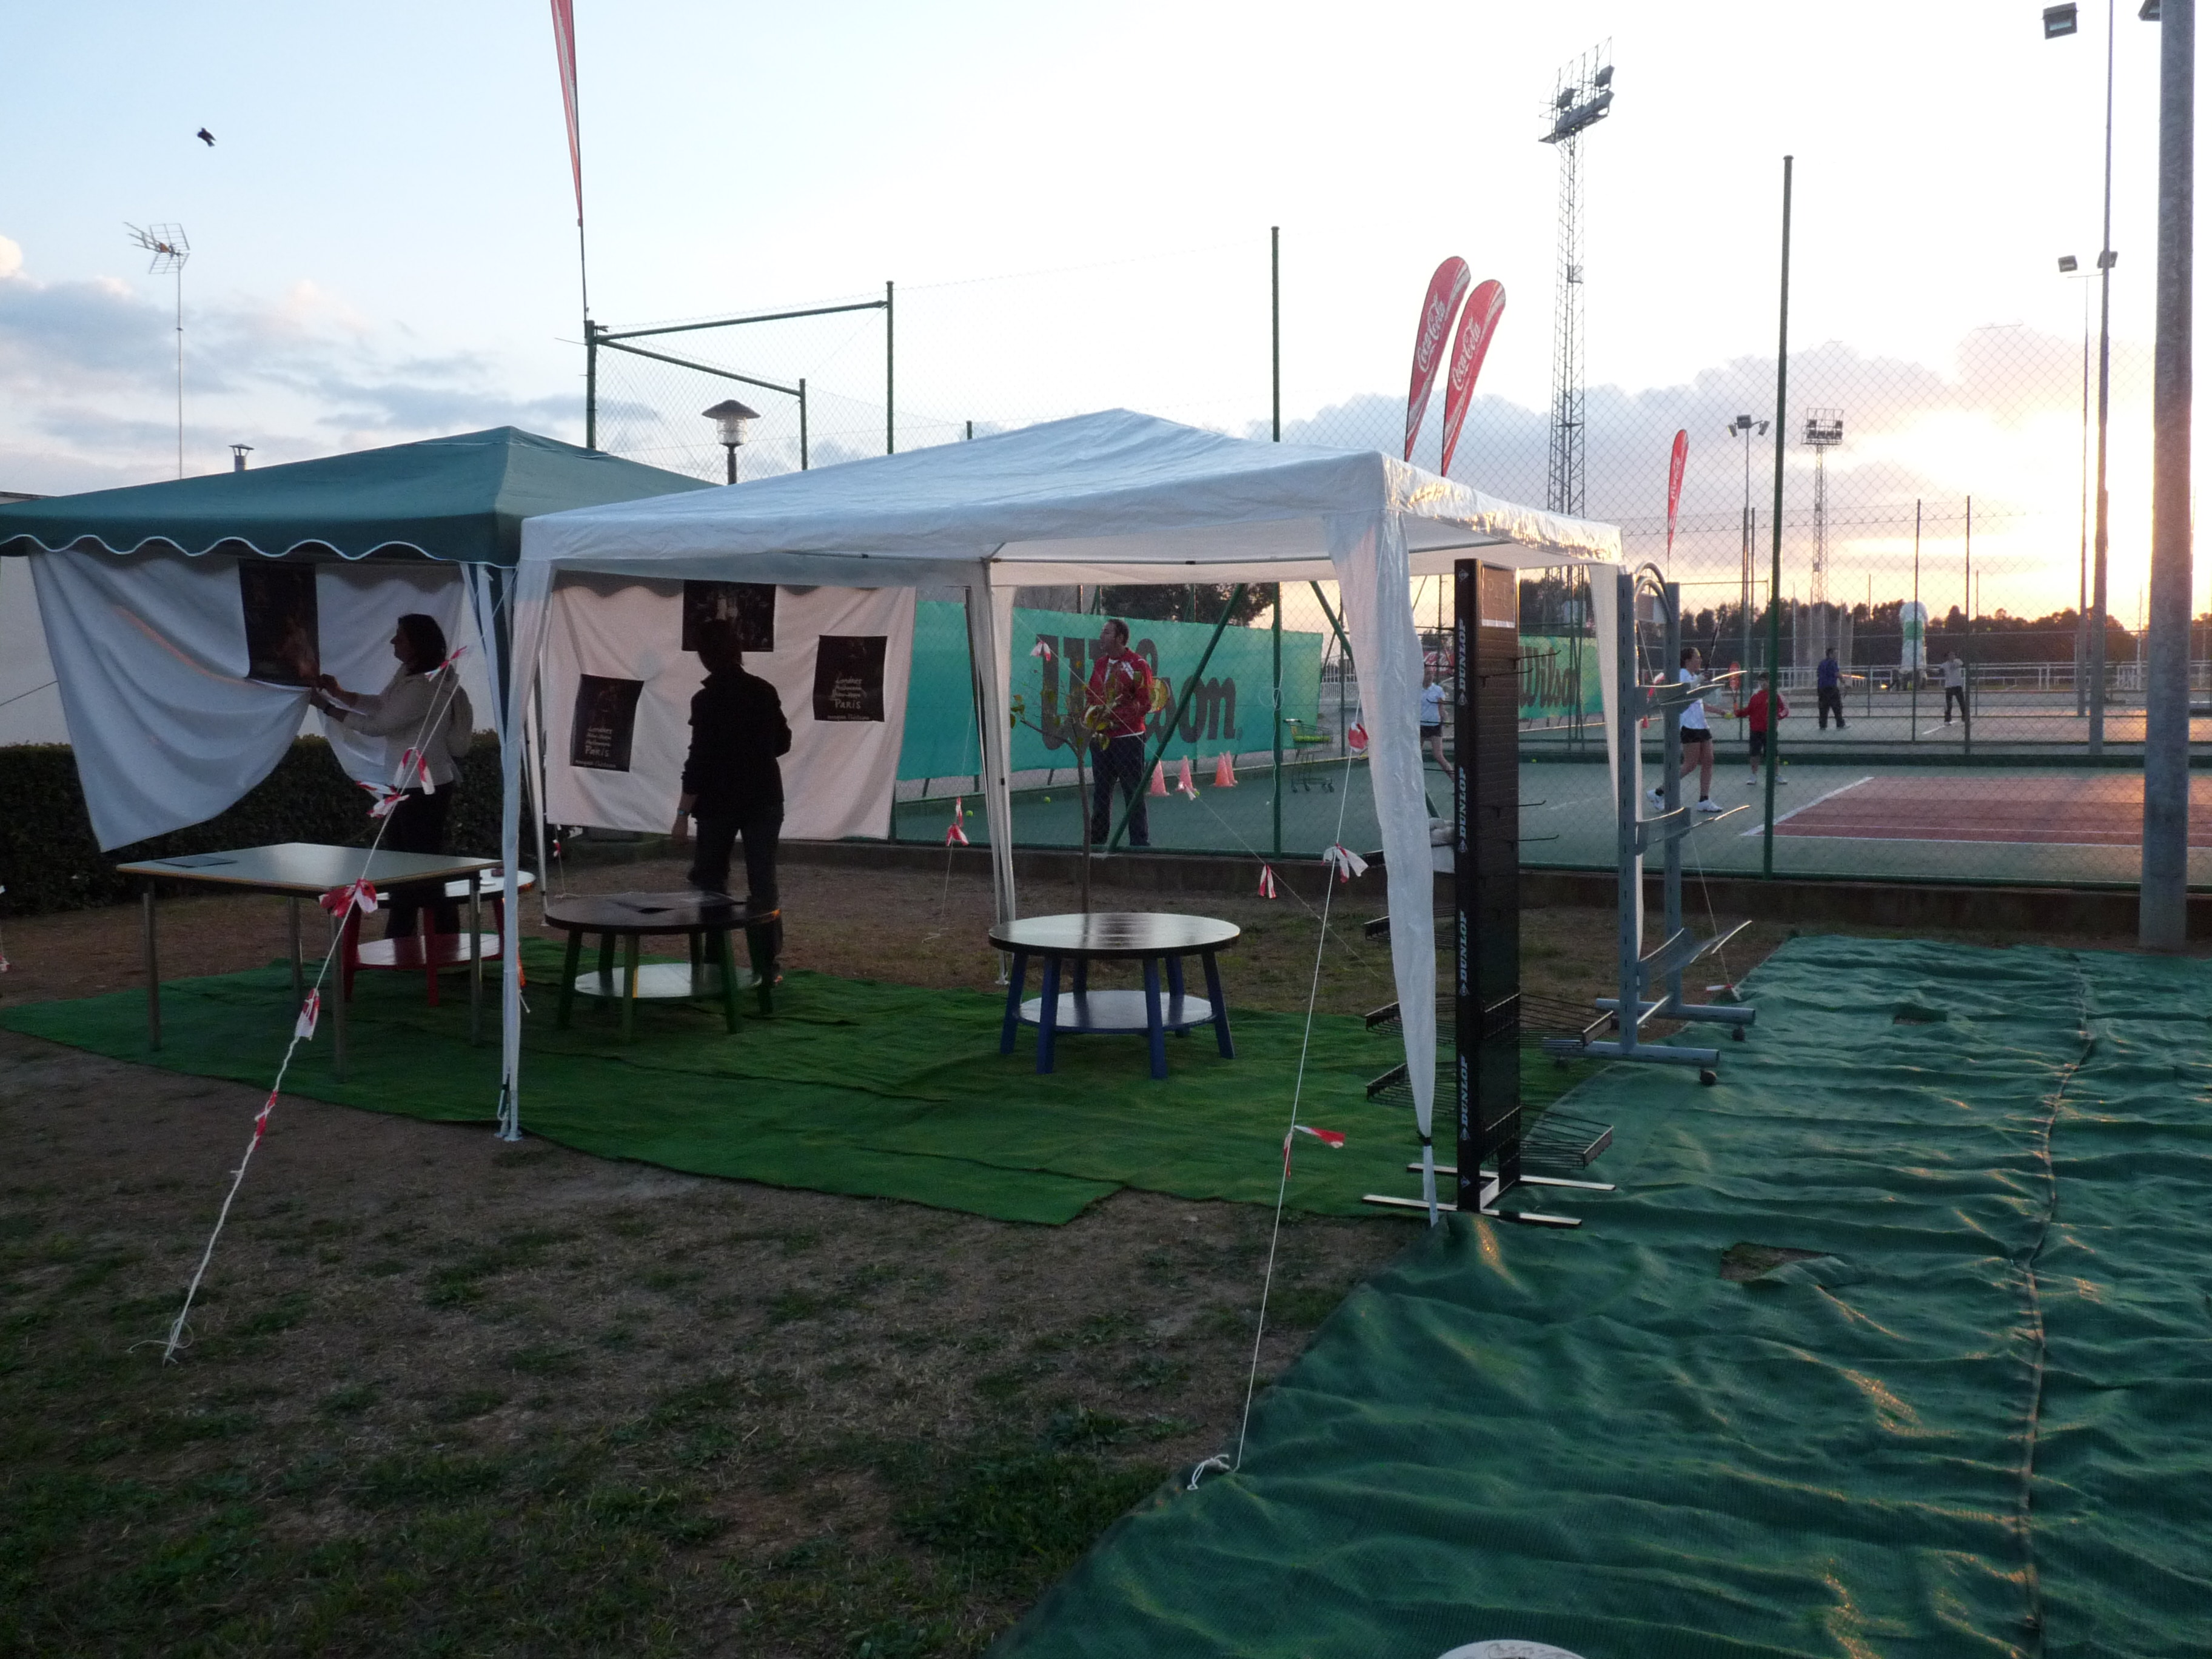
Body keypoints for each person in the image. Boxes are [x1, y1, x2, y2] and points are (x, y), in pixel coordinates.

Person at [313, 613, 470, 940]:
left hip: (423, 785)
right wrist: (339, 693)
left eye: (401, 636)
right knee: (408, 863)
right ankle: (409, 934)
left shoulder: (424, 686)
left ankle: (438, 936)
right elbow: (381, 706)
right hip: (409, 782)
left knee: (422, 867)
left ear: (417, 644)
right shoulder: (412, 677)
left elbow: (377, 726)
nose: (394, 641)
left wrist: (327, 707)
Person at [670, 622, 791, 973]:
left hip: (718, 802)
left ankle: (714, 962)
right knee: (763, 884)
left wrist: (682, 815)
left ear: (705, 656)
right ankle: (767, 965)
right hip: (764, 797)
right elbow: (783, 742)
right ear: (737, 651)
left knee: (711, 882)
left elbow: (698, 761)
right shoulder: (763, 691)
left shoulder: (705, 700)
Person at [1085, 618, 1156, 848]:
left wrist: (1116, 718)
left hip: (1128, 739)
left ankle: (1139, 843)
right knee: (1101, 792)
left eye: (1107, 633)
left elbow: (1145, 702)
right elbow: (1091, 695)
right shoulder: (1100, 664)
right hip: (1101, 739)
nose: (1101, 636)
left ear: (1120, 638)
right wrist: (1092, 717)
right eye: (1102, 632)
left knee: (1132, 791)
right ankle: (1097, 842)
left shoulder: (1138, 664)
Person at [1645, 646, 1722, 814]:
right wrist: (1700, 680)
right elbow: (1685, 691)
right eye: (1697, 657)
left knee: (1709, 760)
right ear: (1688, 661)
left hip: (1701, 724)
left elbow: (1698, 700)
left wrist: (1719, 711)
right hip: (1688, 725)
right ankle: (1659, 793)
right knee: (1690, 764)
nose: (1700, 660)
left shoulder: (1694, 677)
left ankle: (1704, 800)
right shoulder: (1680, 674)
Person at [1734, 676, 1790, 786]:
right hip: (1755, 730)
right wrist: (1739, 713)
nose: (1764, 683)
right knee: (1754, 754)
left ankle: (1776, 775)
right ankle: (1753, 775)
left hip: (1770, 731)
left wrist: (1778, 716)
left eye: (1766, 681)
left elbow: (1785, 710)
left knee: (1773, 754)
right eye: (1761, 681)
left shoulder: (1777, 695)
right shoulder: (1755, 696)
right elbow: (1749, 710)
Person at [1418, 667, 1454, 779]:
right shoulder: (1416, 690)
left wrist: (1446, 719)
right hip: (1421, 726)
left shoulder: (1438, 690)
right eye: (1427, 673)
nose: (1430, 676)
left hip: (1435, 726)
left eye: (1432, 673)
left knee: (1439, 756)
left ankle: (1455, 779)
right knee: (1416, 755)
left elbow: (1441, 709)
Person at [1816, 648, 1847, 730]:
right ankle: (1840, 724)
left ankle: (1823, 725)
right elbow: (1837, 673)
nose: (1836, 656)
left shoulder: (1822, 663)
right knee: (1837, 706)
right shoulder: (1833, 663)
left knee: (1823, 707)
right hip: (1831, 687)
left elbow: (1818, 674)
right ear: (1831, 654)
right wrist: (1843, 680)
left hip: (1821, 687)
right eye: (1835, 654)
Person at [1940, 650, 1968, 725]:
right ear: (1948, 656)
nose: (1952, 656)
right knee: (1949, 704)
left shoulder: (1958, 661)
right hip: (1949, 686)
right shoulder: (1944, 665)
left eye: (1953, 655)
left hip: (1958, 686)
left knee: (1962, 703)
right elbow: (1940, 671)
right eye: (1950, 655)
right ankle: (1947, 720)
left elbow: (1963, 665)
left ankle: (1965, 718)